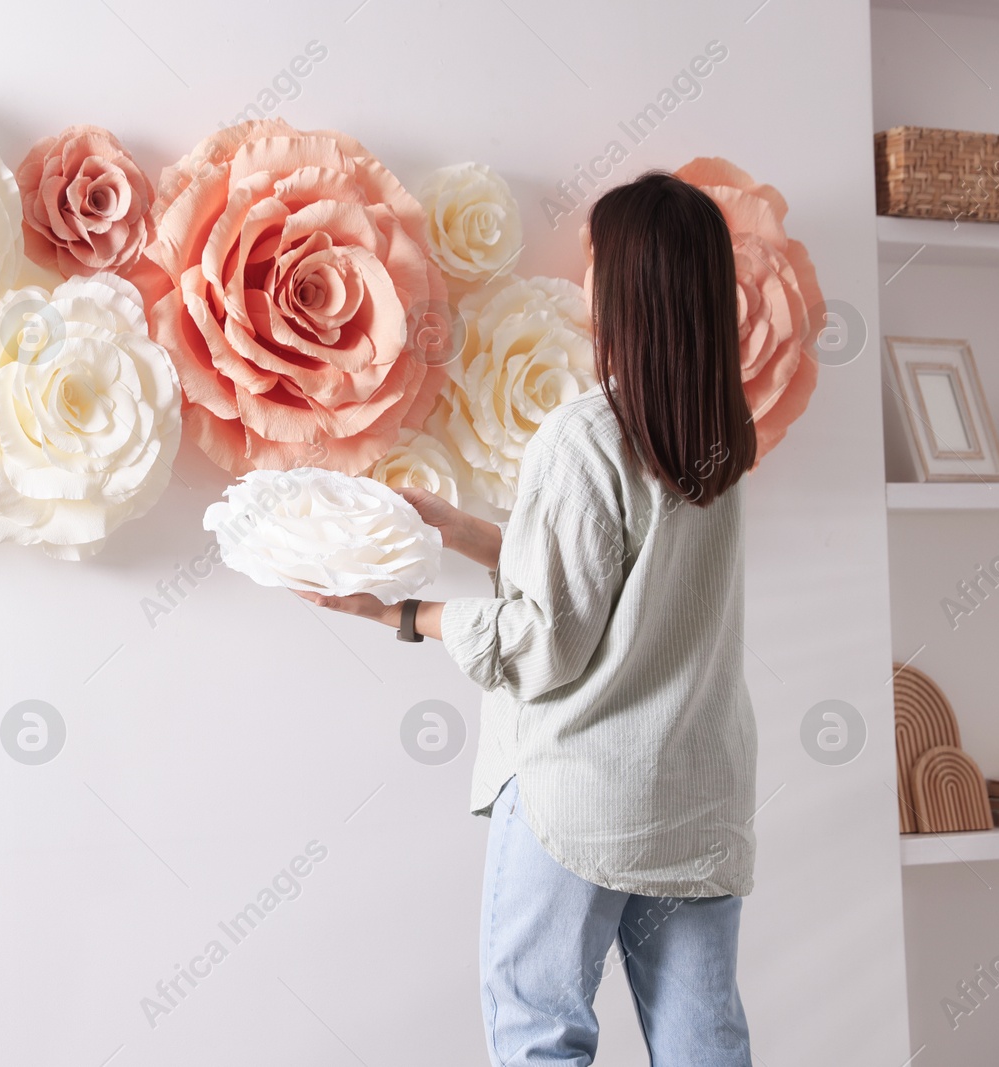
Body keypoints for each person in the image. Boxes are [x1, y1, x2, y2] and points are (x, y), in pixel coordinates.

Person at [301, 170, 757, 1065]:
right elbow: (613, 576)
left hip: (581, 796)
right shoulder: (719, 437)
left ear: (624, 285)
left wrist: (399, 612)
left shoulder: (586, 435)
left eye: (592, 265)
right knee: (704, 1037)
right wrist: (463, 528)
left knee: (540, 1032)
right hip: (697, 797)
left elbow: (548, 639)